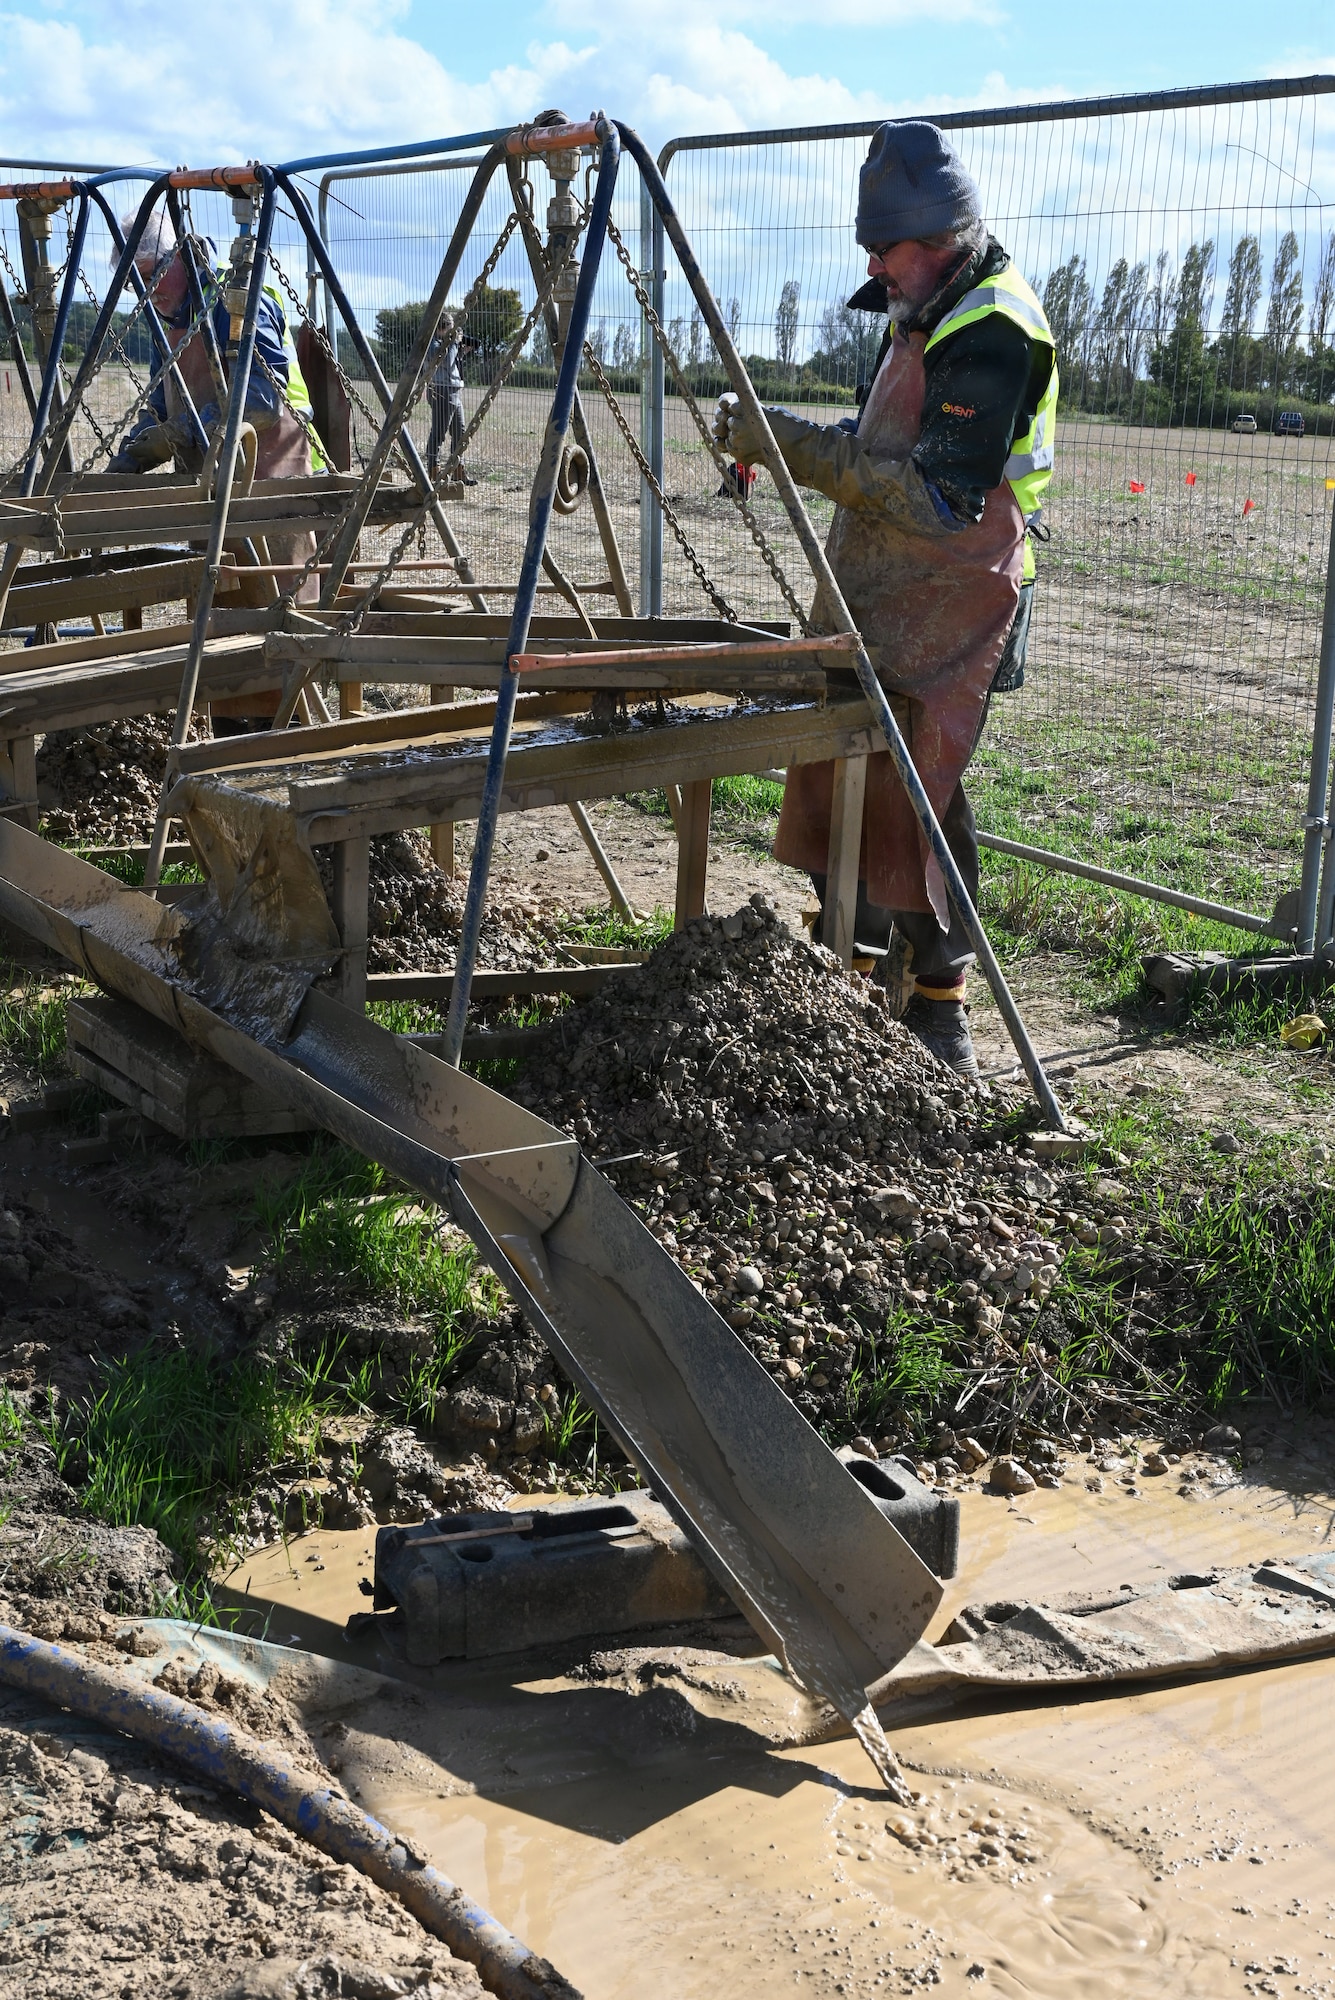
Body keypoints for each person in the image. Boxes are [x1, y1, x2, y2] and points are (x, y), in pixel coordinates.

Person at [713, 121, 1057, 1076]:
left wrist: (790, 445)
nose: (870, 264)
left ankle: (940, 1008)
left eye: (883, 246)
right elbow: (887, 441)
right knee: (846, 766)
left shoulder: (991, 327)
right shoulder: (923, 304)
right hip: (884, 585)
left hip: (959, 595)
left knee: (922, 787)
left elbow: (939, 497)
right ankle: (848, 977)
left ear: (937, 237)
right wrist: (793, 435)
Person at [109, 207, 327, 730]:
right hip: (212, 494)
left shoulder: (241, 298)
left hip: (273, 484)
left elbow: (264, 399)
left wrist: (186, 429)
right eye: (134, 281)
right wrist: (129, 459)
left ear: (179, 255)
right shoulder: (168, 320)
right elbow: (162, 406)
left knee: (279, 627)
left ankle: (291, 743)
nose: (145, 291)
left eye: (149, 274)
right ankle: (231, 746)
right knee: (221, 633)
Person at [425, 319, 476, 485]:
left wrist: (461, 352)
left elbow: (451, 362)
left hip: (454, 390)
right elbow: (445, 362)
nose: (454, 331)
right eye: (450, 328)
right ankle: (433, 470)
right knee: (439, 433)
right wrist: (454, 343)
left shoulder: (446, 343)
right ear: (441, 328)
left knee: (460, 433)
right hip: (441, 390)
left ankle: (458, 470)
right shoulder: (432, 344)